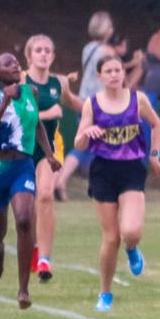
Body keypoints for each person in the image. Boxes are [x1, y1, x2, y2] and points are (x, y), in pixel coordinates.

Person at [73, 55, 160, 312]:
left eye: (117, 70)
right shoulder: (92, 104)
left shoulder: (138, 100)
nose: (114, 75)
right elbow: (78, 143)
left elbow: (157, 125)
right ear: (100, 76)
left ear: (123, 73)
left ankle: (132, 248)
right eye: (108, 71)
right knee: (111, 237)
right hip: (103, 170)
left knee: (131, 231)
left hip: (132, 168)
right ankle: (105, 293)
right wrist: (86, 133)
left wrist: (154, 155)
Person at [0, 53, 61, 309]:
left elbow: (36, 125)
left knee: (25, 220)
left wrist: (49, 155)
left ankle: (23, 290)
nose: (15, 65)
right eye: (8, 64)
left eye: (16, 62)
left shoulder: (30, 92)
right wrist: (5, 102)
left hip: (23, 167)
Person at [21, 34, 83, 282]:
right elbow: (19, 115)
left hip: (49, 148)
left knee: (46, 194)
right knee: (26, 205)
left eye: (48, 50)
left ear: (53, 56)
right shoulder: (20, 81)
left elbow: (77, 103)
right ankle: (35, 247)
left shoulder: (59, 83)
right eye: (38, 50)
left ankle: (44, 260)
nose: (44, 54)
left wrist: (108, 110)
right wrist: (49, 113)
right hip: (23, 147)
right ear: (29, 56)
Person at [55, 11, 115, 201]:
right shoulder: (108, 51)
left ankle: (61, 180)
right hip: (102, 102)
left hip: (83, 100)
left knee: (84, 143)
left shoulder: (88, 48)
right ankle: (105, 186)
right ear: (107, 30)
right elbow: (114, 73)